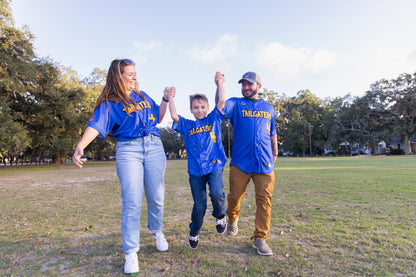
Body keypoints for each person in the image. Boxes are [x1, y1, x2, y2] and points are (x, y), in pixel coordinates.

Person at [72, 59, 170, 275]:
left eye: (135, 73)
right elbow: (96, 125)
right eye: (129, 74)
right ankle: (131, 252)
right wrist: (81, 145)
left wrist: (165, 99)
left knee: (156, 196)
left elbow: (159, 117)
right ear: (118, 76)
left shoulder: (143, 95)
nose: (134, 77)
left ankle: (156, 231)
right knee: (132, 200)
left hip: (154, 146)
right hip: (129, 149)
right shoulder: (110, 102)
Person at [217, 71, 278, 256]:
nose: (245, 87)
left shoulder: (269, 108)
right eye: (243, 84)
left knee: (264, 201)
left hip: (264, 163)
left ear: (259, 86)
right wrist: (219, 84)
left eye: (249, 84)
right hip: (240, 162)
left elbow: (273, 132)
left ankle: (260, 238)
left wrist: (275, 151)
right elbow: (220, 106)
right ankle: (233, 219)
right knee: (234, 197)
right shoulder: (236, 104)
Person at [168, 72, 228, 249]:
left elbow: (222, 102)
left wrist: (219, 84)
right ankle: (194, 232)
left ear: (207, 107)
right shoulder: (188, 125)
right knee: (199, 206)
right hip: (195, 170)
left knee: (217, 193)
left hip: (214, 164)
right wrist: (170, 98)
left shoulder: (213, 119)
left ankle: (220, 216)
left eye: (202, 107)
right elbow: (173, 116)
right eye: (196, 107)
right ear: (191, 109)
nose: (199, 110)